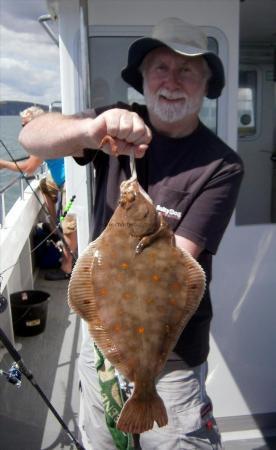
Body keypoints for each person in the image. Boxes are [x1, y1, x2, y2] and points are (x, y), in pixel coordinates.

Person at [19, 17, 244, 450]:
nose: (171, 81)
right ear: (142, 78)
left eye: (187, 70)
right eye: (160, 67)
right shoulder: (112, 127)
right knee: (101, 442)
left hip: (172, 355)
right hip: (103, 342)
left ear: (205, 84)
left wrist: (132, 223)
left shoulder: (222, 165)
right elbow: (32, 136)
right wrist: (90, 130)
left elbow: (179, 260)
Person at [0, 106, 77, 280]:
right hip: (60, 180)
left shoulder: (42, 138)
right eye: (22, 126)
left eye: (26, 125)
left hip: (70, 183)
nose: (24, 130)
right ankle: (53, 226)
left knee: (69, 224)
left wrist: (3, 164)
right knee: (45, 185)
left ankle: (66, 268)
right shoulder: (47, 133)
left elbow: (29, 168)